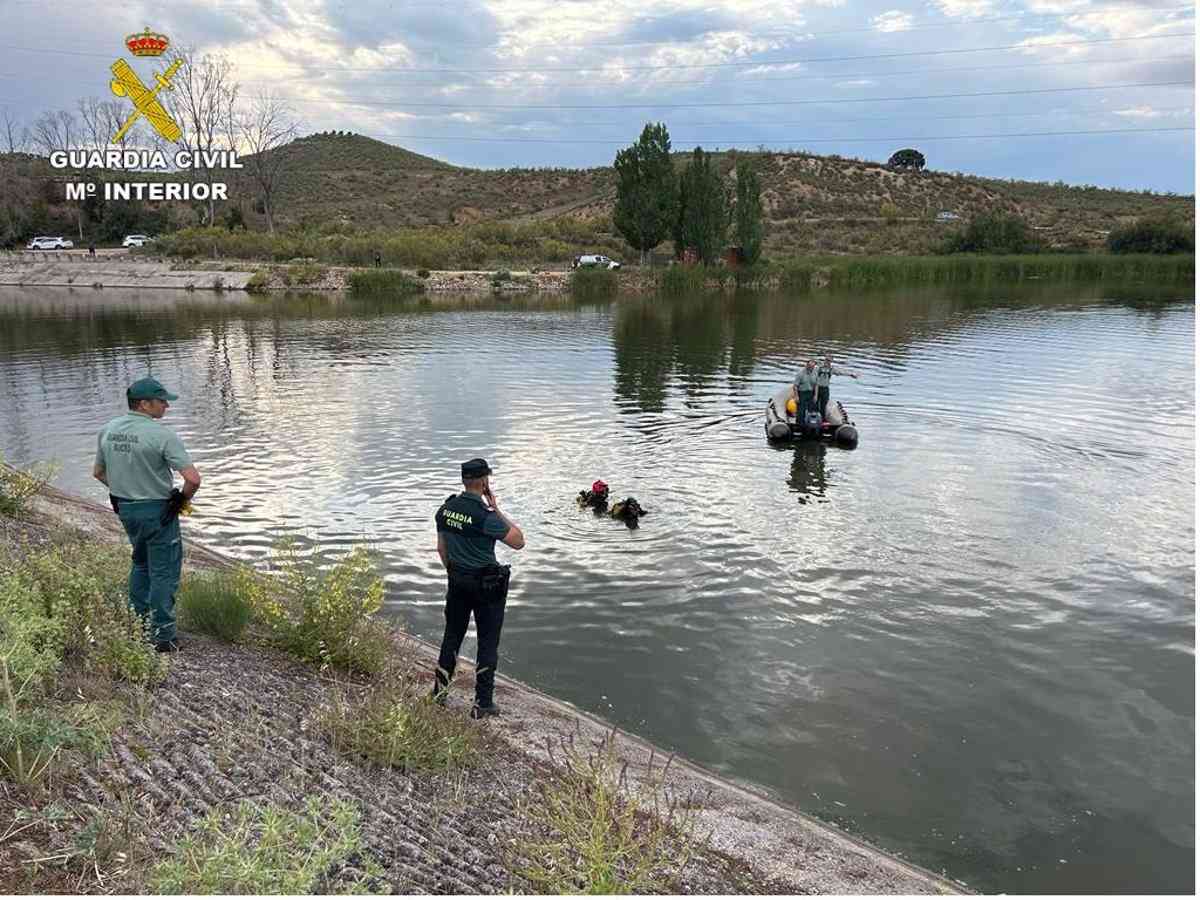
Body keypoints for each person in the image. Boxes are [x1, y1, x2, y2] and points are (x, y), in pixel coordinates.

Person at [92, 377, 202, 652]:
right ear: (143, 404)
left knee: (141, 563)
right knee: (164, 571)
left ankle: (137, 623)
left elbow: (98, 473)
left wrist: (123, 492)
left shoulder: (108, 430)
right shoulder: (162, 435)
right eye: (161, 401)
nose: (166, 405)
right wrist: (180, 501)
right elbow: (193, 479)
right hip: (158, 512)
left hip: (125, 509)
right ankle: (163, 635)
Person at [433, 457, 525, 718]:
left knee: (452, 636)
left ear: (464, 480)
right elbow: (518, 541)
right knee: (487, 643)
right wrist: (496, 508)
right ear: (485, 481)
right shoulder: (486, 517)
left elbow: (442, 549)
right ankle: (483, 703)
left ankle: (439, 694)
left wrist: (454, 573)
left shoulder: (445, 509)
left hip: (458, 580)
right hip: (486, 586)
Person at [816, 355, 858, 420]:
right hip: (817, 388)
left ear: (831, 361)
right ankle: (814, 416)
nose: (827, 362)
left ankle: (823, 418)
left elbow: (841, 372)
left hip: (825, 388)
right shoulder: (818, 368)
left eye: (829, 361)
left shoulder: (832, 369)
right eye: (827, 360)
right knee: (815, 403)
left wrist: (850, 374)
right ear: (824, 360)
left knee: (824, 404)